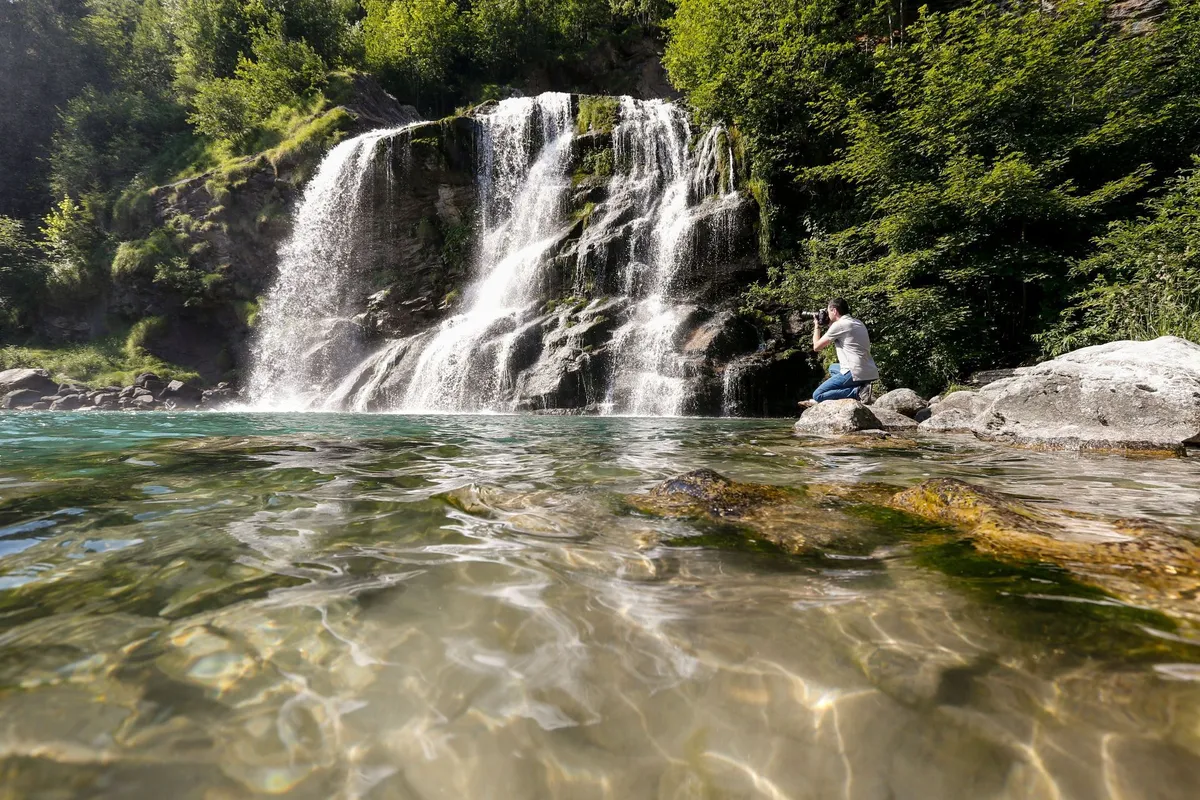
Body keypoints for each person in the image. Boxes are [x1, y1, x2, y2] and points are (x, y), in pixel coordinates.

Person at [810, 298, 879, 403]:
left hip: (854, 372)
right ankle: (863, 385)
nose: (827, 315)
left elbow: (816, 347)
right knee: (833, 368)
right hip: (868, 371)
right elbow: (838, 332)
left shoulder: (840, 325)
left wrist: (817, 326)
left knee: (818, 395)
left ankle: (858, 392)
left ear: (834, 310)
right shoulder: (858, 322)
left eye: (828, 312)